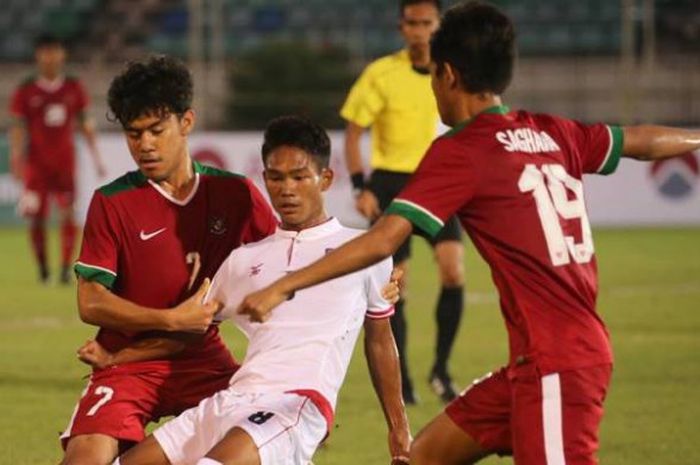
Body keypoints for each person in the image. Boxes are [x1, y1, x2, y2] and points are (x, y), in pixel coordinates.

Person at [234, 2, 700, 464]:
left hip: (557, 364)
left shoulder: (462, 150)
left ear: (448, 75)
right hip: (533, 363)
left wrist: (284, 285)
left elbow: (382, 240)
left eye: (434, 76)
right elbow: (638, 140)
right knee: (422, 458)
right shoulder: (553, 131)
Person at [78, 115, 411, 465]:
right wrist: (117, 358)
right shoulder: (243, 260)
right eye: (277, 178)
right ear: (264, 179)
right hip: (230, 400)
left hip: (295, 403)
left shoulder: (363, 250)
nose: (287, 189)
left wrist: (398, 427)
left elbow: (379, 339)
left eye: (299, 177)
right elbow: (192, 330)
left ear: (325, 178)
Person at [59, 55, 280, 465]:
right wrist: (171, 319)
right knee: (84, 459)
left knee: (267, 437)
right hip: (124, 364)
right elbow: (90, 302)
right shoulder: (113, 202)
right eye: (133, 133)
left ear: (187, 123)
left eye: (156, 131)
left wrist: (365, 278)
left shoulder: (235, 195)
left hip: (202, 359)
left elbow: (288, 258)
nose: (144, 144)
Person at [341, 0, 464, 404]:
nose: (419, 31)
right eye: (412, 23)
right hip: (393, 184)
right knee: (398, 285)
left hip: (439, 180)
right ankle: (405, 381)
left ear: (439, 25)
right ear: (401, 27)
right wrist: (362, 186)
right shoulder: (382, 73)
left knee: (453, 271)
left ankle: (441, 372)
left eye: (426, 23)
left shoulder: (453, 70)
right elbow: (354, 133)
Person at [8, 33, 105, 284]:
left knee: (68, 214)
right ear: (38, 55)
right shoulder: (26, 89)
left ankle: (64, 268)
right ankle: (42, 268)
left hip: (65, 163)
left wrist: (96, 158)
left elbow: (86, 124)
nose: (50, 56)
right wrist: (16, 159)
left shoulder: (73, 87)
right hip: (37, 166)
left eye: (54, 51)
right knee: (37, 216)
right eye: (45, 51)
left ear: (62, 54)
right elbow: (17, 128)